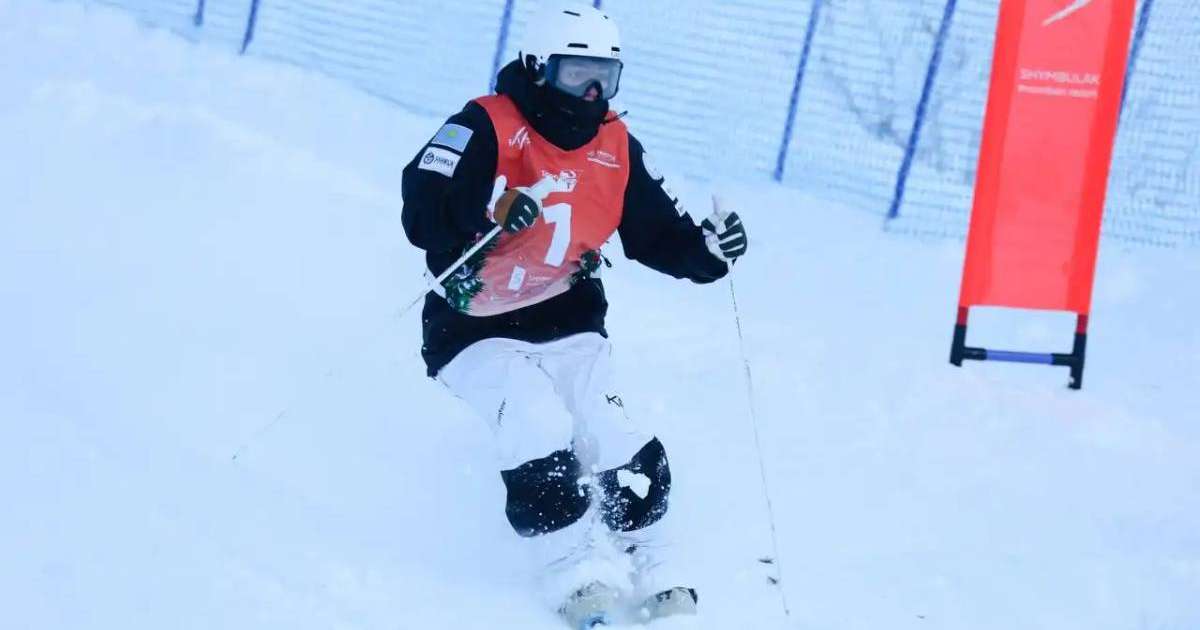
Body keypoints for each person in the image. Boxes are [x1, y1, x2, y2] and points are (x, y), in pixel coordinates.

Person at [400, 2, 747, 626]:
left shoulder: (615, 144)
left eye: (604, 79)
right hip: (473, 327)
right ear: (538, 68)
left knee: (613, 430)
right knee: (535, 423)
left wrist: (706, 253)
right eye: (575, 75)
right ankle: (577, 569)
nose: (590, 93)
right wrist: (486, 208)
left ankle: (657, 561)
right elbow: (421, 207)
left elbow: (654, 232)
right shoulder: (485, 126)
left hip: (568, 320)